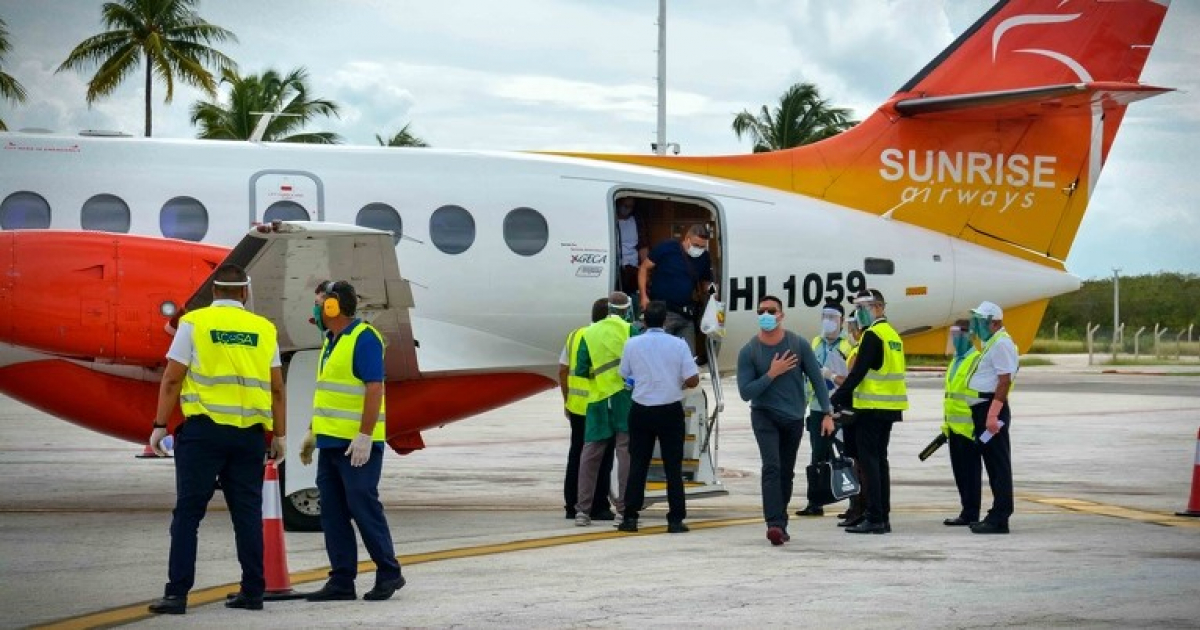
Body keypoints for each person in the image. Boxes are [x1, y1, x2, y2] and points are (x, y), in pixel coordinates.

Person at [147, 263, 287, 615]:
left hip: (204, 435)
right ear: (244, 292)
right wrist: (279, 435)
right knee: (247, 515)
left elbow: (172, 378)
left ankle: (177, 595)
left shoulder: (194, 323)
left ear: (214, 292)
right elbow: (277, 389)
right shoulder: (264, 329)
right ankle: (253, 592)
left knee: (189, 514)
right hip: (249, 437)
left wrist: (160, 425)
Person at [300, 280, 405, 601]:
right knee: (332, 513)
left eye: (319, 303)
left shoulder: (363, 338)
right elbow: (331, 396)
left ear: (332, 307)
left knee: (363, 506)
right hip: (330, 443)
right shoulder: (330, 340)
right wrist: (312, 432)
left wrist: (364, 435)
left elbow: (375, 387)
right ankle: (342, 580)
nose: (315, 309)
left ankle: (389, 573)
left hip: (356, 446)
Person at [736, 295, 832, 545]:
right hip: (764, 414)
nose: (766, 315)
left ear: (781, 315)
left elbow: (817, 380)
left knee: (786, 473)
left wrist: (827, 413)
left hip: (793, 417)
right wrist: (771, 373)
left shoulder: (797, 344)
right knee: (771, 467)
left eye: (771, 310)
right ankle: (774, 524)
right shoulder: (749, 350)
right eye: (761, 311)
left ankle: (782, 520)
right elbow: (746, 392)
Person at [617, 300, 700, 534]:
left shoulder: (632, 344)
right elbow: (692, 379)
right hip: (669, 409)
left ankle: (630, 517)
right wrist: (678, 382)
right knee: (673, 467)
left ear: (644, 320)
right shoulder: (678, 344)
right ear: (665, 321)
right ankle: (675, 519)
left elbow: (624, 374)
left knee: (638, 465)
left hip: (641, 409)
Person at [830, 289, 907, 535]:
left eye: (863, 307)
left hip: (871, 409)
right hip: (890, 407)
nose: (858, 312)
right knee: (880, 462)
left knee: (870, 464)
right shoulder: (892, 334)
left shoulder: (873, 335)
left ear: (878, 307)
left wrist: (836, 399)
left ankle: (874, 517)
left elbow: (857, 373)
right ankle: (882, 515)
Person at [572, 291, 635, 526]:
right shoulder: (630, 330)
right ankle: (623, 509)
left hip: (598, 400)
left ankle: (582, 511)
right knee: (625, 452)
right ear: (626, 309)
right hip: (623, 398)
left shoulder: (589, 332)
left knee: (590, 455)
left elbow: (580, 369)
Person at [558, 298, 617, 521]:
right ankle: (598, 505)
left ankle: (571, 505)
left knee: (576, 455)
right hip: (599, 405)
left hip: (577, 405)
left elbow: (562, 370)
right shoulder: (607, 336)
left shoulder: (575, 335)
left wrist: (567, 400)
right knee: (602, 457)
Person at [965, 301, 1018, 534]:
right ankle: (997, 513)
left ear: (994, 322)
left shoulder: (1001, 344)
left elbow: (1004, 380)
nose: (977, 326)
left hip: (991, 408)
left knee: (998, 465)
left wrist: (993, 414)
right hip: (984, 408)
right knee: (993, 463)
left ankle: (1000, 516)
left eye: (981, 321)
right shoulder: (992, 343)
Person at [796, 300, 852, 517]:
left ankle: (853, 503)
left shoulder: (848, 346)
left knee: (847, 454)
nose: (828, 322)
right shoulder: (816, 342)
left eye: (833, 318)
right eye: (825, 317)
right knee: (817, 456)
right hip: (818, 407)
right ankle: (815, 502)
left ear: (842, 321)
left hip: (839, 407)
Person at [638, 224, 713, 353]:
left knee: (688, 358)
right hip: (664, 313)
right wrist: (643, 296)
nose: (699, 249)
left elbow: (706, 283)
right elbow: (644, 268)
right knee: (661, 355)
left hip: (687, 315)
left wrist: (714, 293)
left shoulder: (704, 257)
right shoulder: (667, 248)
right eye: (696, 245)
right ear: (687, 239)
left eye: (702, 246)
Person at [941, 319, 983, 528]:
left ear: (968, 336)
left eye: (957, 336)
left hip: (969, 427)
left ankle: (971, 511)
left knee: (970, 472)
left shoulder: (975, 360)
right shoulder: (955, 361)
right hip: (954, 427)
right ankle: (966, 510)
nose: (954, 340)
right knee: (959, 472)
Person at [615, 197, 649, 305]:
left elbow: (643, 246)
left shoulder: (636, 221)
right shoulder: (611, 219)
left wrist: (645, 269)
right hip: (617, 268)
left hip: (633, 268)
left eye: (630, 207)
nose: (628, 209)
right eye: (625, 206)